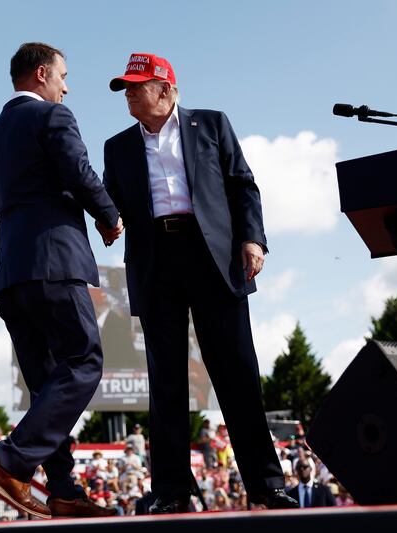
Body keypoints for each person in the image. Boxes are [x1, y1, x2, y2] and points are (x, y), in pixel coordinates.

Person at [101, 52, 298, 513]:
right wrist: (102, 218)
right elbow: (105, 199)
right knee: (166, 381)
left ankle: (268, 485)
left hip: (213, 256)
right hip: (155, 262)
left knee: (237, 374)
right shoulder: (117, 147)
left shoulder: (211, 124)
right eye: (125, 87)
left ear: (167, 89)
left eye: (137, 85)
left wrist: (253, 239)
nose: (129, 93)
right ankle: (171, 493)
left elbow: (243, 184)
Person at [0, 41, 122, 520]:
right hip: (55, 265)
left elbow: (0, 203)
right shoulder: (53, 117)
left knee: (47, 386)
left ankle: (62, 490)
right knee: (84, 361)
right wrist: (108, 215)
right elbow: (77, 171)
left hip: (12, 275)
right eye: (63, 75)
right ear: (41, 74)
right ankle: (11, 461)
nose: (66, 85)